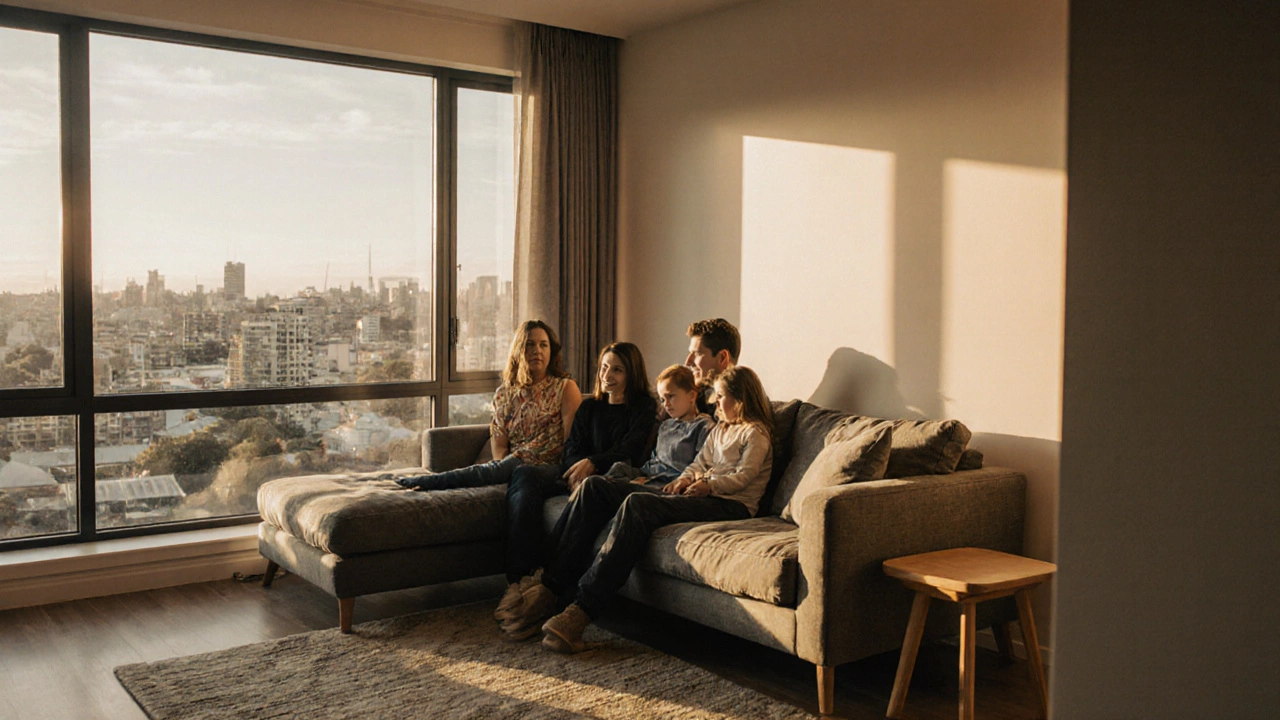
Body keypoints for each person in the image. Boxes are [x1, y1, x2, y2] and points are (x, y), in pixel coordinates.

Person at [508, 366, 774, 653]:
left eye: (721, 397)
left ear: (741, 399)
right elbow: (699, 463)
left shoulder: (756, 434)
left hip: (731, 505)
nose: (714, 402)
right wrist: (686, 478)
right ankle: (549, 586)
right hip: (702, 492)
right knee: (595, 486)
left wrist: (709, 486)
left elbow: (744, 477)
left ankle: (581, 610)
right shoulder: (721, 429)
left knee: (638, 504)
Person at [496, 341, 659, 638]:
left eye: (618, 370)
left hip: (613, 477)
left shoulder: (644, 408)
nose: (607, 375)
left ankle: (546, 585)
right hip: (577, 474)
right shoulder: (590, 406)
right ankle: (520, 580)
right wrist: (577, 471)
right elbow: (572, 447)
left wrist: (591, 466)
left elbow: (631, 450)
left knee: (591, 488)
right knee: (525, 476)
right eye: (605, 367)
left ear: (632, 374)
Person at [394, 320, 581, 493]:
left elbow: (572, 441)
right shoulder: (504, 394)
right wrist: (504, 470)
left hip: (551, 467)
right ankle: (427, 482)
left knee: (487, 472)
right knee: (501, 471)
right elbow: (499, 446)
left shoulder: (564, 387)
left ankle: (429, 482)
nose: (537, 351)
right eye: (529, 344)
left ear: (551, 351)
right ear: (518, 351)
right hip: (516, 465)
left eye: (543, 345)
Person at [684, 318, 740, 416]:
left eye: (697, 353)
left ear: (722, 358)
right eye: (690, 353)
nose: (688, 362)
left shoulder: (743, 405)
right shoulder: (692, 400)